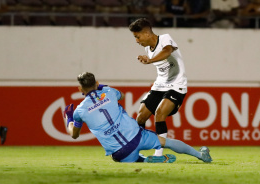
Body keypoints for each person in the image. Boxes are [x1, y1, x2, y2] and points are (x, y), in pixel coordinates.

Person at [64, 72, 212, 163]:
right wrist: (101, 87)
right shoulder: (108, 92)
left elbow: (74, 135)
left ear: (79, 89)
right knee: (167, 142)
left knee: (128, 157)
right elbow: (121, 95)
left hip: (119, 152)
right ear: (96, 83)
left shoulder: (80, 111)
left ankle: (145, 160)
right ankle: (201, 155)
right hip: (137, 136)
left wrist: (69, 119)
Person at [128, 18, 188, 156]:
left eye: (137, 37)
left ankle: (159, 154)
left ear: (148, 34)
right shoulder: (147, 49)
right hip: (159, 86)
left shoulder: (165, 38)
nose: (136, 41)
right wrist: (148, 59)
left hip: (176, 86)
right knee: (141, 117)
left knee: (160, 113)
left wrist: (150, 60)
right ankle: (138, 149)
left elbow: (167, 51)